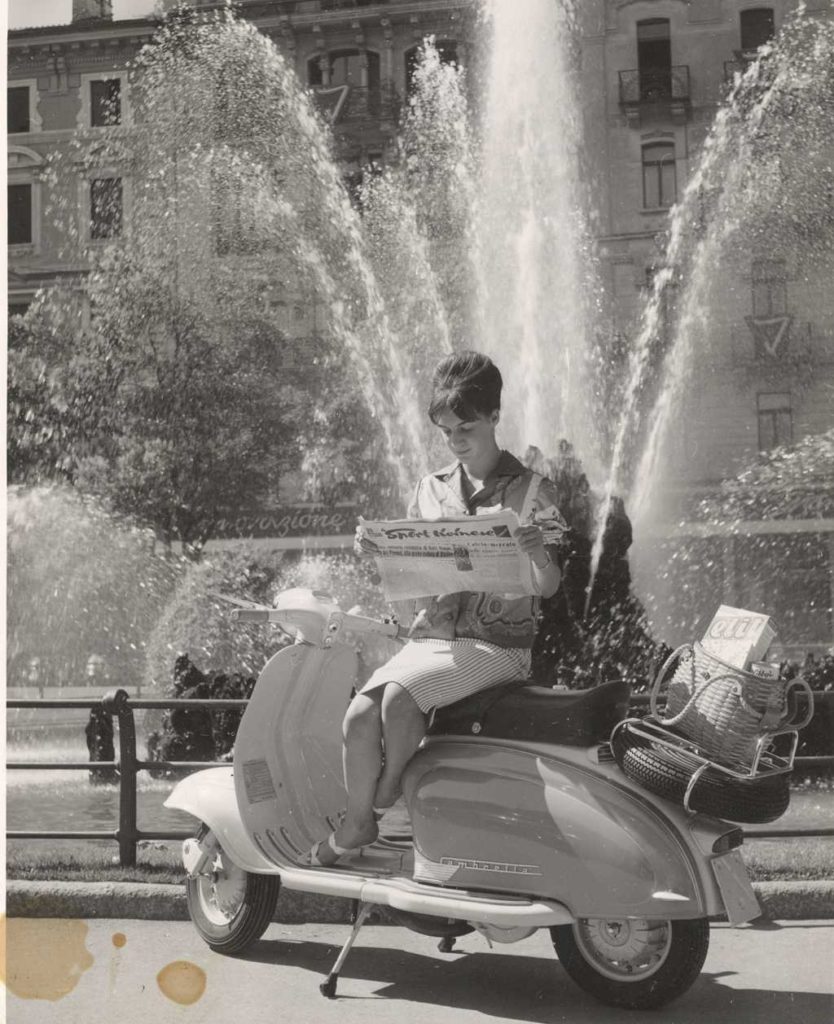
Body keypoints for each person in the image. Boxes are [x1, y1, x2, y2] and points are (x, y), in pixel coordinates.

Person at [306, 350, 565, 866]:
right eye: (446, 432)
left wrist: (536, 551)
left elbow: (550, 587)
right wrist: (381, 551)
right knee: (359, 714)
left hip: (499, 646)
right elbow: (411, 584)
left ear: (494, 416)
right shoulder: (430, 489)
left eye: (465, 426)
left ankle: (383, 795)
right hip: (434, 641)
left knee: (400, 699)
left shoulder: (535, 490)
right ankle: (359, 824)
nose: (456, 441)